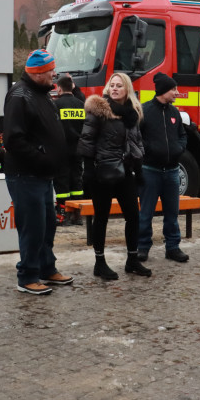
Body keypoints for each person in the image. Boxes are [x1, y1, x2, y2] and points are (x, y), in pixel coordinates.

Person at [2, 49, 73, 295]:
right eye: (50, 70)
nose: (55, 74)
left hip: (42, 175)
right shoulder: (19, 96)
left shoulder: (41, 94)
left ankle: (46, 268)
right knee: (32, 227)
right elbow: (13, 139)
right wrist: (41, 158)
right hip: (25, 175)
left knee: (46, 225)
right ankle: (28, 276)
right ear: (38, 73)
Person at [78, 73, 151, 280]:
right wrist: (89, 170)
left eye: (119, 85)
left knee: (133, 216)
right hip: (103, 172)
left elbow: (136, 144)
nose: (115, 88)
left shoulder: (131, 113)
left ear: (127, 89)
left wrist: (139, 170)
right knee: (101, 218)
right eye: (112, 85)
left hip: (125, 171)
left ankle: (132, 260)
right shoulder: (98, 110)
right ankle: (99, 262)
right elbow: (86, 141)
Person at [136, 72, 188, 263]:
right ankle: (142, 247)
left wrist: (179, 148)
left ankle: (173, 247)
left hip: (172, 171)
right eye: (174, 89)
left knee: (172, 213)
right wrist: (150, 150)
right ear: (164, 90)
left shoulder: (174, 112)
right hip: (150, 171)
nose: (177, 92)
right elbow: (137, 138)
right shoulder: (144, 110)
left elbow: (183, 135)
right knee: (146, 213)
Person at [53, 73, 85, 216]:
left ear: (59, 88)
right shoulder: (81, 105)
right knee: (77, 182)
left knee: (61, 182)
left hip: (61, 151)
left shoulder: (55, 105)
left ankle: (62, 214)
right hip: (78, 149)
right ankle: (77, 215)